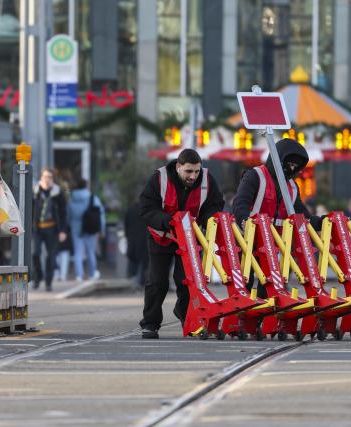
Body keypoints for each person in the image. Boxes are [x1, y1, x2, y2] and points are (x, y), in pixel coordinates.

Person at [138, 149, 224, 339]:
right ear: (178, 167)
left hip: (190, 240)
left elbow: (215, 205)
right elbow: (145, 209)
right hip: (162, 237)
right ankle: (151, 323)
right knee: (157, 281)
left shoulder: (208, 180)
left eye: (196, 172)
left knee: (188, 282)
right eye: (188, 172)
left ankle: (188, 318)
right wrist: (167, 221)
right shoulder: (159, 179)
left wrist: (209, 219)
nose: (193, 176)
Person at [232, 138, 322, 297]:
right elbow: (240, 203)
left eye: (296, 165)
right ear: (278, 160)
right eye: (289, 164)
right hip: (247, 239)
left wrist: (323, 222)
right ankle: (241, 317)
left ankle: (263, 319)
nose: (292, 168)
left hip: (272, 244)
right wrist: (244, 221)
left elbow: (302, 216)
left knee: (269, 286)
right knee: (244, 282)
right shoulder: (255, 175)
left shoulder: (292, 187)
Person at [33, 168, 67, 291]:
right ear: (41, 178)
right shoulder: (35, 191)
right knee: (35, 253)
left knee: (51, 257)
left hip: (52, 228)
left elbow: (63, 212)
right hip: (37, 229)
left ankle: (48, 282)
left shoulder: (57, 192)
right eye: (45, 176)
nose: (47, 179)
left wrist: (63, 230)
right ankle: (37, 278)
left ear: (53, 179)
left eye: (50, 177)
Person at [67, 179, 105, 281]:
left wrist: (70, 225)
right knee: (90, 252)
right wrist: (102, 229)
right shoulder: (92, 198)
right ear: (86, 186)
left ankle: (79, 275)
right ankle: (92, 274)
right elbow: (100, 215)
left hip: (76, 228)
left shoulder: (71, 199)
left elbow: (68, 215)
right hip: (90, 228)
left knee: (78, 253)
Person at [124, 200, 149, 287]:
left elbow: (126, 225)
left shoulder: (130, 209)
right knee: (145, 263)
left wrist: (127, 236)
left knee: (133, 261)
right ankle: (143, 282)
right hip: (145, 240)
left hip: (133, 240)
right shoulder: (148, 210)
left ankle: (131, 281)